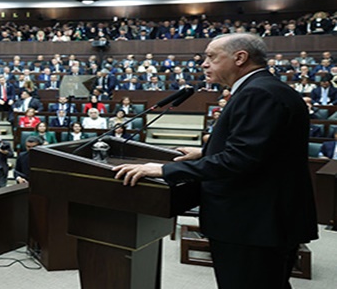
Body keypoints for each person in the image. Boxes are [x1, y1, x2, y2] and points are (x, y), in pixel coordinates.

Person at [114, 33, 318, 289]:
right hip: (262, 218)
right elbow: (266, 148)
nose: (204, 64)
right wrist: (204, 152)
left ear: (240, 58)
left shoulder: (259, 94)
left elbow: (240, 160)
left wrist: (165, 170)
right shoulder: (264, 89)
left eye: (211, 56)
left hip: (253, 222)